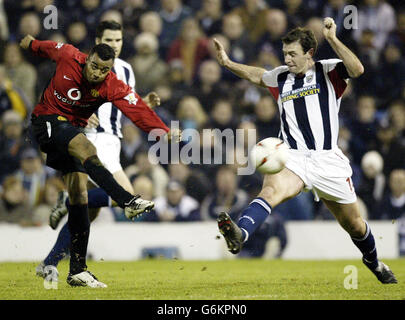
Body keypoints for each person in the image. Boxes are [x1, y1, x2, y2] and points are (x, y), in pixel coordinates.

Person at [213, 17, 397, 284]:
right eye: (284, 53)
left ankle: (373, 261)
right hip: (292, 156)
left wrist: (333, 39)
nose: (287, 59)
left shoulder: (328, 70)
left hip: (327, 159)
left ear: (309, 53)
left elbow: (357, 69)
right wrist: (228, 63)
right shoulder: (280, 77)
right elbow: (257, 74)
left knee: (354, 225)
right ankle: (241, 233)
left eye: (292, 54)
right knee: (270, 191)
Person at [19, 30, 179, 288]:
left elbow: (136, 110)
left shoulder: (112, 84)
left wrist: (163, 131)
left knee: (80, 196)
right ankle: (127, 200)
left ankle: (77, 270)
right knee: (86, 148)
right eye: (94, 66)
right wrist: (30, 43)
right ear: (87, 58)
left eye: (103, 70)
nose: (96, 73)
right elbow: (44, 47)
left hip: (70, 132)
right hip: (46, 120)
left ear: (109, 70)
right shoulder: (70, 54)